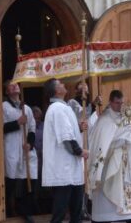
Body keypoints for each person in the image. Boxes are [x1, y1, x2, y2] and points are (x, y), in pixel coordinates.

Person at [88, 90, 131, 223]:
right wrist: (120, 138)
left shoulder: (125, 116)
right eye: (117, 103)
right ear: (110, 102)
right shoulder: (104, 120)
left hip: (125, 162)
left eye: (122, 103)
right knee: (106, 195)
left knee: (127, 191)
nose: (120, 106)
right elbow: (101, 143)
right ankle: (105, 216)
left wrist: (129, 137)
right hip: (108, 162)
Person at [42, 78, 89, 223]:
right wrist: (80, 151)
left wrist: (79, 128)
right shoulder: (57, 108)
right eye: (61, 84)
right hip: (63, 169)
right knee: (60, 212)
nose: (64, 85)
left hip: (70, 169)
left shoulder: (63, 108)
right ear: (57, 90)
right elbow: (66, 137)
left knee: (76, 212)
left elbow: (68, 131)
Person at [2, 80, 37, 223]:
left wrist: (30, 143)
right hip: (11, 147)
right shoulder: (4, 107)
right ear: (7, 92)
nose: (15, 86)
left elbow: (32, 128)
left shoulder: (27, 109)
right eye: (11, 85)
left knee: (30, 178)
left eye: (16, 84)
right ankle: (7, 209)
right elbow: (0, 126)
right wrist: (17, 123)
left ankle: (25, 210)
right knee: (10, 179)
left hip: (25, 148)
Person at [67, 81, 101, 220]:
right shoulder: (72, 103)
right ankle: (77, 209)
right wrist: (92, 104)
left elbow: (92, 122)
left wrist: (94, 105)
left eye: (86, 86)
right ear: (76, 89)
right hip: (76, 142)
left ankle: (85, 207)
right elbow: (81, 116)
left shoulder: (89, 105)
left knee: (87, 177)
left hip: (88, 143)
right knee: (78, 177)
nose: (84, 87)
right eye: (81, 86)